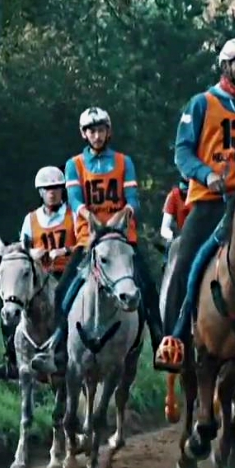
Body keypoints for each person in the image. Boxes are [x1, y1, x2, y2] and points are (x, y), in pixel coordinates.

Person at [153, 37, 235, 371]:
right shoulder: (202, 103)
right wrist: (206, 175)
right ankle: (174, 340)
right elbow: (183, 152)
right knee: (184, 263)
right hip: (210, 201)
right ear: (226, 66)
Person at [52, 106, 163, 352]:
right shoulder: (74, 164)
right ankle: (57, 346)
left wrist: (123, 215)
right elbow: (75, 200)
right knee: (62, 290)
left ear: (108, 132)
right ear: (83, 134)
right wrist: (89, 217)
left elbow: (132, 200)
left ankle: (160, 341)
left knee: (147, 285)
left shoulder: (124, 162)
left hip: (121, 237)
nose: (97, 136)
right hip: (89, 239)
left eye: (101, 130)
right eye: (91, 131)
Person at [0, 166, 76, 381]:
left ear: (62, 190)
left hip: (69, 271)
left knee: (73, 306)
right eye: (47, 189)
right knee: (11, 308)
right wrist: (33, 253)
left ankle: (72, 354)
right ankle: (12, 361)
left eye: (56, 188)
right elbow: (24, 247)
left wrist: (64, 251)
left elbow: (85, 243)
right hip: (40, 274)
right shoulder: (31, 219)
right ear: (40, 192)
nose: (52, 193)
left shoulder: (73, 215)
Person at [160, 178, 191, 244]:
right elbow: (164, 229)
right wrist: (173, 236)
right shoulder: (173, 196)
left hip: (199, 234)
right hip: (180, 235)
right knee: (169, 244)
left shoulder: (201, 195)